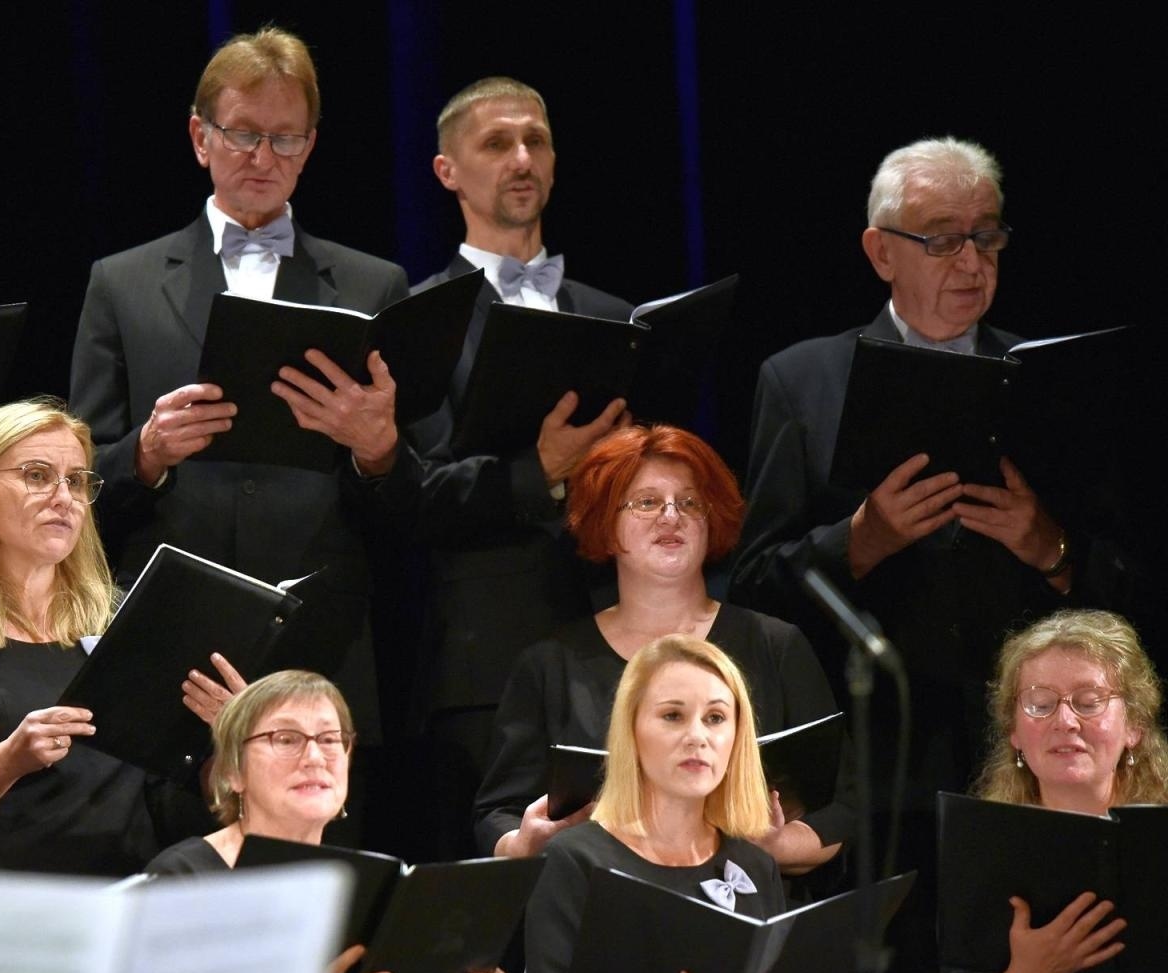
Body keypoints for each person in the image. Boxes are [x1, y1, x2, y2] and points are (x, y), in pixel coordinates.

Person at [726, 135, 1132, 973]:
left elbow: (1126, 588)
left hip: (1024, 765)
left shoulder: (1051, 381)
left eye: (988, 237)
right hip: (874, 766)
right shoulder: (804, 378)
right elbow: (751, 587)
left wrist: (1050, 548)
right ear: (881, 251)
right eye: (943, 239)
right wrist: (857, 542)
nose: (972, 262)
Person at [68, 27, 415, 757]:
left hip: (320, 625)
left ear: (312, 145)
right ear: (200, 137)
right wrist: (148, 453)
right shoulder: (120, 281)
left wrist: (377, 450)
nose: (264, 159)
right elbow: (80, 480)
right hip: (171, 621)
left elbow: (414, 496)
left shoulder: (372, 285)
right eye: (244, 135)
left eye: (285, 139)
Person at [396, 77, 635, 860]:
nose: (522, 158)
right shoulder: (418, 321)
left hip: (618, 644)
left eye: (535, 140)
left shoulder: (612, 317)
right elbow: (414, 497)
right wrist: (539, 471)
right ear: (446, 172)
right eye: (496, 144)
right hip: (481, 662)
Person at [477, 425, 846, 880]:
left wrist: (776, 844)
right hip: (598, 915)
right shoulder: (549, 664)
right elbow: (498, 813)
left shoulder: (775, 645)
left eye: (690, 502)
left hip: (744, 911)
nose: (671, 516)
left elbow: (843, 806)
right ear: (604, 524)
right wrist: (524, 844)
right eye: (647, 502)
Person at [0, 398, 209, 873]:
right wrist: (8, 761)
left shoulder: (125, 623)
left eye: (77, 481)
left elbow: (166, 793)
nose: (64, 498)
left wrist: (223, 732)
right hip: (2, 905)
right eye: (37, 476)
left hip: (134, 893)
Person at [148, 669, 512, 973]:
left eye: (329, 739)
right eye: (285, 739)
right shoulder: (182, 881)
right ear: (233, 771)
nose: (315, 757)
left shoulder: (369, 889)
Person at [525, 635, 837, 973]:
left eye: (715, 718)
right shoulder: (575, 859)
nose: (697, 737)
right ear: (632, 730)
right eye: (673, 715)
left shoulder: (754, 864)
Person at [941, 609, 1168, 973]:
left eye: (1089, 701)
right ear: (1014, 733)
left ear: (1135, 726)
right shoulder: (984, 843)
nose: (1065, 721)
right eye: (1041, 704)